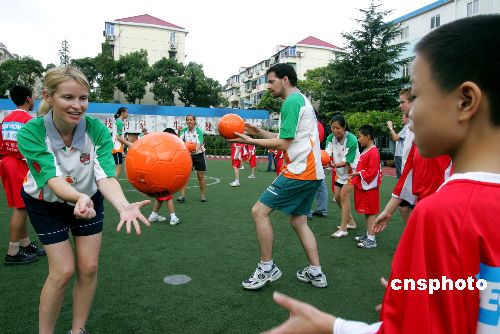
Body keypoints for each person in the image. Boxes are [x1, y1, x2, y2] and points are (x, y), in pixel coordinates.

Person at [263, 15, 500, 334]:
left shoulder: (444, 214)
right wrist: (423, 292)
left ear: (465, 101)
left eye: (415, 96)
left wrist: (331, 326)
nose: (409, 112)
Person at [17, 66, 150, 334]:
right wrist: (78, 196)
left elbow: (104, 176)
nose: (78, 106)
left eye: (83, 98)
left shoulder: (97, 131)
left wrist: (123, 205)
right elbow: (52, 179)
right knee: (63, 271)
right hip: (46, 203)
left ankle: (78, 330)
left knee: (88, 267)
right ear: (48, 96)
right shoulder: (31, 133)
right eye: (69, 97)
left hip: (89, 199)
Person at [231, 63, 327, 290]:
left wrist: (250, 141)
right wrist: (259, 133)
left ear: (285, 80)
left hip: (300, 171)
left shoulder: (292, 101)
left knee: (259, 211)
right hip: (312, 172)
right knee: (299, 221)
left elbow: (284, 144)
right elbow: (287, 136)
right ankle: (316, 272)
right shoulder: (300, 100)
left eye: (271, 81)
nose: (268, 87)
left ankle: (267, 268)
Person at [1, 85, 45, 264]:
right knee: (20, 207)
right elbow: (34, 148)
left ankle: (25, 243)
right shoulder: (29, 120)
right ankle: (12, 252)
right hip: (19, 164)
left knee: (22, 205)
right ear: (28, 99)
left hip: (6, 163)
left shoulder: (6, 119)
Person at [325, 115, 360, 238]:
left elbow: (347, 161)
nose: (334, 131)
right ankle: (350, 222)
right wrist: (326, 162)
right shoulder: (330, 138)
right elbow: (327, 154)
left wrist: (332, 165)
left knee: (344, 195)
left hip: (352, 172)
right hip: (340, 173)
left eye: (337, 128)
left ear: (344, 127)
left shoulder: (351, 139)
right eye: (332, 128)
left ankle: (343, 228)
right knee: (337, 197)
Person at [348, 125, 381, 249]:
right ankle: (369, 235)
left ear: (367, 137)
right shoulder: (368, 150)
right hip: (366, 186)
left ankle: (372, 239)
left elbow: (372, 171)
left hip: (370, 188)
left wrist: (358, 173)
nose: (358, 139)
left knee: (370, 212)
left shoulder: (373, 151)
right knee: (368, 211)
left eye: (360, 136)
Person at [147, 128, 180, 225]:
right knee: (167, 196)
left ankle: (153, 216)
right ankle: (173, 218)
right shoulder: (165, 148)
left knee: (161, 196)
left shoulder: (162, 146)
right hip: (162, 176)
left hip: (159, 175)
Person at [177, 114, 207, 202]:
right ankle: (182, 196)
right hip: (187, 156)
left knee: (200, 175)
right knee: (185, 176)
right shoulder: (184, 131)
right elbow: (179, 141)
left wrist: (195, 149)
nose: (189, 121)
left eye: (191, 120)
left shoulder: (198, 131)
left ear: (194, 121)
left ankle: (203, 195)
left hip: (199, 155)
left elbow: (199, 143)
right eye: (188, 120)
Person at [386, 90, 412, 179]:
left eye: (402, 102)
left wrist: (390, 127)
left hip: (402, 157)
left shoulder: (412, 126)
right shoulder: (408, 127)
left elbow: (395, 137)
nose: (400, 106)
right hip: (402, 156)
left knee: (402, 179)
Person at [112, 107, 133, 178]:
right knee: (118, 169)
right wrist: (128, 144)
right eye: (127, 112)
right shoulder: (119, 122)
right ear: (122, 113)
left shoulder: (118, 121)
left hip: (116, 148)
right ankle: (112, 185)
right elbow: (118, 137)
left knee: (116, 168)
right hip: (117, 148)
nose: (128, 114)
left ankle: (112, 184)